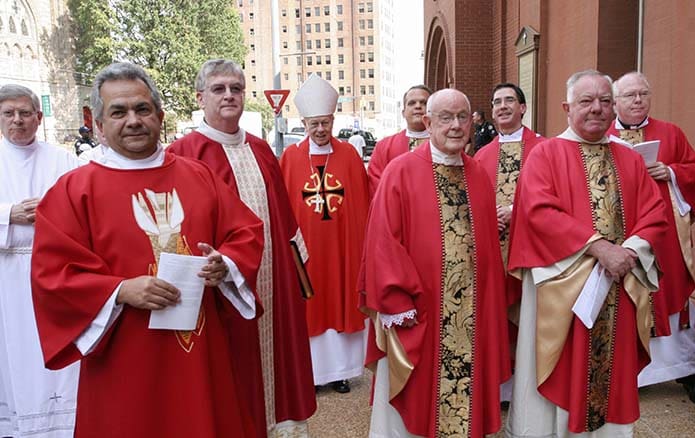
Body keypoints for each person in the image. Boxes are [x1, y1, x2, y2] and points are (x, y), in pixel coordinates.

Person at [31, 62, 265, 438]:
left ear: (159, 115)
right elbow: (53, 275)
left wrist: (225, 263)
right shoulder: (75, 190)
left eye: (142, 109)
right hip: (125, 354)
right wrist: (120, 290)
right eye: (118, 112)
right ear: (99, 124)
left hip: (200, 351)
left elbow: (246, 231)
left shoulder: (198, 176)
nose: (133, 120)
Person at [506, 70, 668, 437]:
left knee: (609, 372)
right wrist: (599, 248)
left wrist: (628, 252)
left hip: (618, 283)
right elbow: (538, 212)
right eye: (586, 101)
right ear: (566, 107)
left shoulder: (628, 158)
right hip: (560, 290)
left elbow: (654, 212)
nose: (597, 109)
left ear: (614, 109)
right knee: (560, 364)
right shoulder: (545, 154)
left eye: (605, 101)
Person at [168, 59, 316, 437]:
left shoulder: (262, 149)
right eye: (219, 89)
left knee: (275, 366)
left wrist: (296, 270)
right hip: (222, 284)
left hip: (272, 279)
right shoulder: (184, 152)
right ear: (200, 98)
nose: (229, 96)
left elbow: (282, 216)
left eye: (236, 88)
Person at [362, 88, 510, 437]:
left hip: (471, 318)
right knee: (415, 399)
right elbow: (382, 242)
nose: (456, 126)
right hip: (420, 311)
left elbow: (487, 252)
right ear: (428, 122)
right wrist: (396, 302)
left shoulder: (478, 175)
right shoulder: (400, 171)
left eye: (463, 117)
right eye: (446, 118)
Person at [279, 73, 370, 394]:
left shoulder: (348, 155)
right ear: (304, 123)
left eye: (326, 123)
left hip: (343, 249)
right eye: (314, 124)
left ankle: (341, 372)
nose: (320, 130)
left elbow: (364, 201)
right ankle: (311, 374)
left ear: (333, 120)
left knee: (341, 302)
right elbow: (282, 206)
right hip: (305, 252)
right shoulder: (290, 158)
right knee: (309, 306)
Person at [608, 71, 695, 398]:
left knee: (667, 289)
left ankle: (679, 367)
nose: (638, 100)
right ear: (615, 100)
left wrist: (670, 172)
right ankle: (626, 371)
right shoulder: (602, 135)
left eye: (643, 94)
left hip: (664, 233)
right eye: (630, 95)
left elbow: (693, 169)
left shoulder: (671, 133)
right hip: (622, 231)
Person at [0, 84, 79, 437]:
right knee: (12, 358)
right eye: (8, 113)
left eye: (24, 113)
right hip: (6, 278)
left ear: (39, 117)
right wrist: (8, 214)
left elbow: (85, 208)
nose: (17, 120)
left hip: (54, 277)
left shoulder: (65, 162)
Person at [474, 83, 545, 401]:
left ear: (523, 108)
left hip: (533, 250)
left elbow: (555, 197)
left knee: (531, 315)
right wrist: (490, 215)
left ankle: (529, 386)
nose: (502, 106)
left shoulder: (545, 149)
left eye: (509, 101)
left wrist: (516, 212)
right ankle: (501, 387)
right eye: (496, 102)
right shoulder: (481, 155)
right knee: (495, 317)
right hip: (493, 251)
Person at [367, 85, 432, 196]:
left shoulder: (445, 144)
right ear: (403, 113)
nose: (418, 106)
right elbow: (376, 184)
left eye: (424, 103)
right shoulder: (384, 146)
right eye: (411, 103)